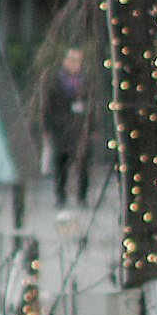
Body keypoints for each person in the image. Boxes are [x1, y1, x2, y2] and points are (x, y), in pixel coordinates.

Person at [47, 45, 92, 207]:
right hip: (61, 129)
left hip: (80, 130)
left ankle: (82, 196)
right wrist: (48, 128)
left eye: (77, 61)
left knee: (83, 165)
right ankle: (60, 196)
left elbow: (92, 106)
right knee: (60, 164)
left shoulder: (85, 81)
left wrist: (91, 128)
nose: (75, 64)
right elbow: (48, 107)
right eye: (72, 60)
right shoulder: (55, 81)